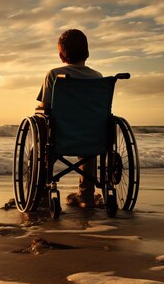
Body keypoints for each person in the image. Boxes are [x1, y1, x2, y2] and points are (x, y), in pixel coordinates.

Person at [36, 29, 102, 209]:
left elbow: (46, 107)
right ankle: (86, 195)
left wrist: (39, 109)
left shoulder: (54, 75)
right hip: (91, 137)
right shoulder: (98, 77)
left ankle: (41, 192)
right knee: (88, 144)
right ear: (87, 53)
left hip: (61, 136)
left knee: (41, 128)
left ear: (61, 55)